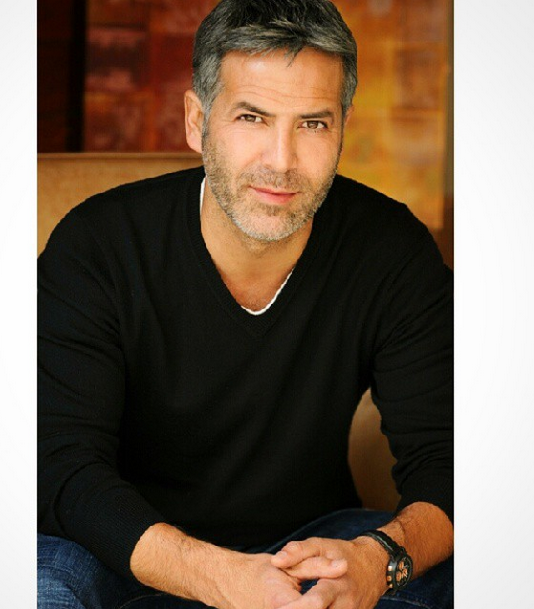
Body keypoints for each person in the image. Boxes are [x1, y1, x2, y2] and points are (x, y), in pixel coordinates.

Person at [37, 1, 454, 608]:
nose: (281, 161)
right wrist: (219, 576)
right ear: (196, 120)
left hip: (309, 546)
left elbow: (452, 458)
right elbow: (59, 463)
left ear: (343, 126)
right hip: (118, 552)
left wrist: (378, 560)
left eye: (313, 124)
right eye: (252, 117)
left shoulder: (392, 251)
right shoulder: (97, 245)